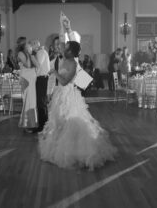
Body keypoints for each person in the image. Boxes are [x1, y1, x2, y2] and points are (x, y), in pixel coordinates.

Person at [38, 15, 117, 170]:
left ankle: (73, 150)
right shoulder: (61, 57)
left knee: (70, 121)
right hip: (59, 94)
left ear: (71, 50)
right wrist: (62, 25)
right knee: (59, 121)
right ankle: (59, 146)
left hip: (69, 94)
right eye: (60, 46)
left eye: (65, 47)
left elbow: (64, 80)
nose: (61, 47)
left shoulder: (73, 61)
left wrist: (68, 28)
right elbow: (63, 41)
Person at [15, 37, 39, 132]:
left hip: (31, 78)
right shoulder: (20, 53)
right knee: (28, 101)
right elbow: (28, 65)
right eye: (27, 43)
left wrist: (32, 54)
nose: (29, 44)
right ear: (23, 44)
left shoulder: (29, 53)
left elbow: (38, 65)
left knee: (32, 101)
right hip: (26, 79)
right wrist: (29, 53)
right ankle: (27, 124)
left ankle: (32, 124)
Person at [31, 39, 50, 132]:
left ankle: (42, 126)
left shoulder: (41, 52)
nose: (30, 47)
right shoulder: (39, 52)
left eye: (32, 44)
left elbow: (37, 66)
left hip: (42, 79)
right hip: (41, 79)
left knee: (41, 102)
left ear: (35, 45)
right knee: (40, 102)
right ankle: (43, 124)